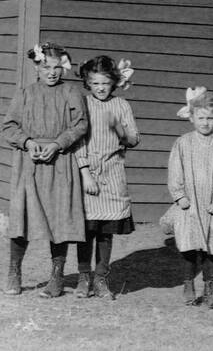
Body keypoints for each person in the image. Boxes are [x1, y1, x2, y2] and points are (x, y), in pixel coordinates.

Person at [1, 42, 89, 298]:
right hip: (29, 163)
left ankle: (57, 277)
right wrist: (27, 143)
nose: (52, 72)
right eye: (46, 67)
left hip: (60, 162)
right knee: (22, 218)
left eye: (57, 67)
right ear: (36, 67)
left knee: (59, 219)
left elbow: (81, 125)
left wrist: (58, 143)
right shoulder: (25, 93)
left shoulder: (71, 92)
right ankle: (14, 271)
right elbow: (8, 127)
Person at [164, 86, 213, 309]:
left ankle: (210, 289)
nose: (205, 123)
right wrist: (180, 197)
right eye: (201, 117)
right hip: (190, 203)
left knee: (212, 248)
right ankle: (188, 283)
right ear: (191, 117)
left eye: (210, 118)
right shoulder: (183, 143)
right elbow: (175, 172)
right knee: (190, 246)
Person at [74, 56, 139, 300]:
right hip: (87, 173)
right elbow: (78, 141)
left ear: (114, 83)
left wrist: (118, 129)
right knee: (87, 229)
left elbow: (133, 139)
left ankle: (101, 279)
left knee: (105, 231)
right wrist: (85, 173)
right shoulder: (83, 104)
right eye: (95, 83)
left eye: (105, 83)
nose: (100, 88)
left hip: (112, 173)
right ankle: (83, 278)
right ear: (87, 83)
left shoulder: (122, 106)